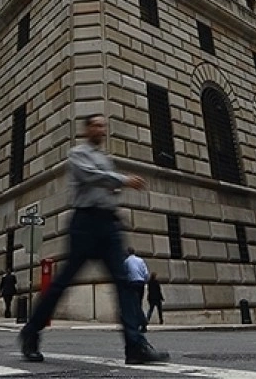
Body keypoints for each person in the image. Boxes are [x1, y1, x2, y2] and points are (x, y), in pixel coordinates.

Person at [17, 113, 168, 365]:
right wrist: (122, 180)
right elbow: (90, 176)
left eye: (103, 126)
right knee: (62, 282)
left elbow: (109, 188)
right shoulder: (77, 154)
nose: (101, 129)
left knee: (124, 283)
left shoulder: (105, 160)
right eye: (97, 125)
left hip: (108, 225)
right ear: (87, 129)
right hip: (85, 223)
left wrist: (114, 193)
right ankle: (31, 332)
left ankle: (135, 346)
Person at [124, 247, 149, 331]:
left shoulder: (126, 262)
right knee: (139, 303)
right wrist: (145, 281)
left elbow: (124, 273)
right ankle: (139, 323)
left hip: (132, 283)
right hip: (141, 283)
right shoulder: (140, 260)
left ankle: (143, 321)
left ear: (128, 252)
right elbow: (146, 273)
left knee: (135, 304)